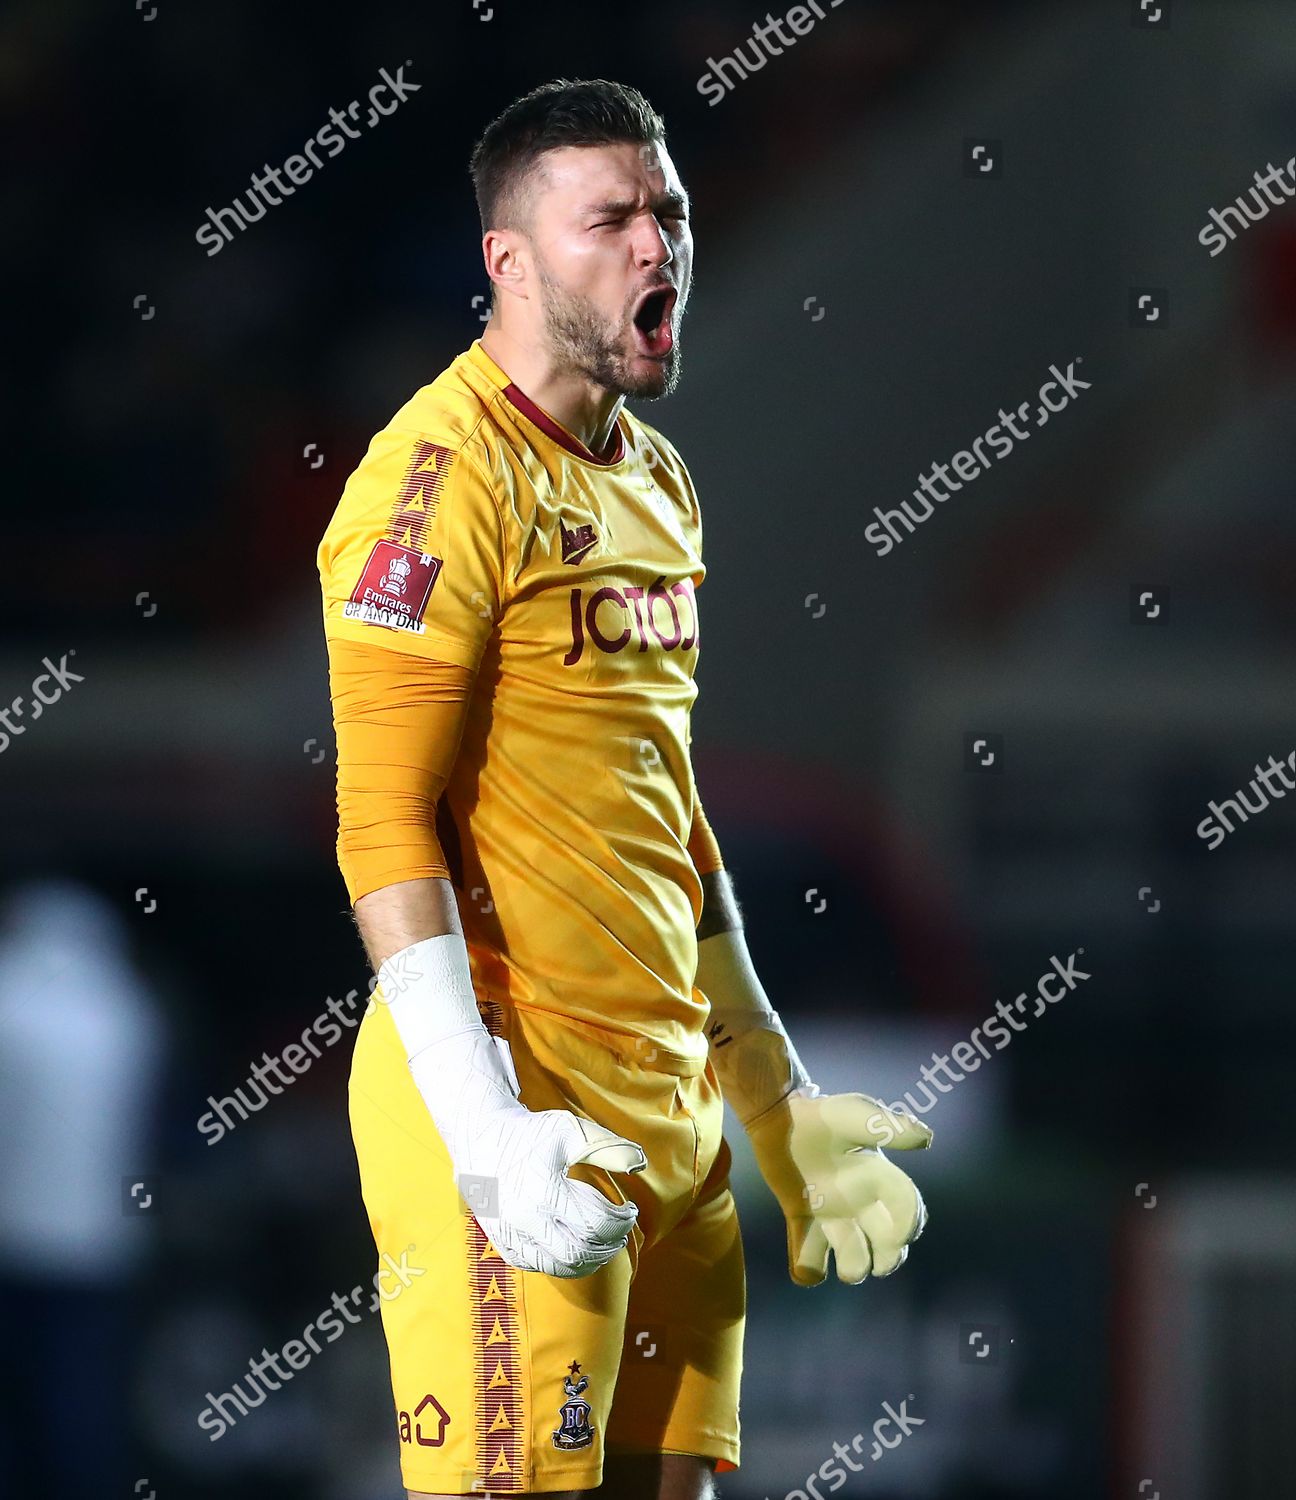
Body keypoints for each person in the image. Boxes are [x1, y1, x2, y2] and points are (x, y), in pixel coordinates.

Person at [317, 77, 931, 1500]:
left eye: (673, 213)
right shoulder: (432, 485)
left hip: (671, 1114)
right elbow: (378, 822)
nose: (659, 246)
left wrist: (773, 1106)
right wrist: (482, 1137)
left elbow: (667, 816)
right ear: (509, 260)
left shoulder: (655, 481)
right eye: (613, 220)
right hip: (517, 1103)